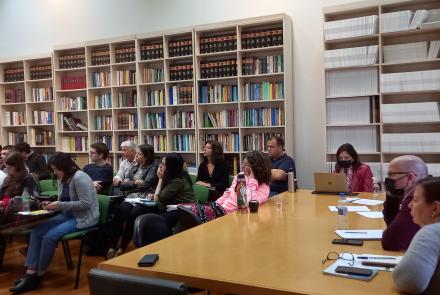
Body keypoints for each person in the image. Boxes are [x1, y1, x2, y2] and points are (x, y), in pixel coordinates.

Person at [10, 152, 99, 294]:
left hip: (83, 218)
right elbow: (63, 200)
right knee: (36, 232)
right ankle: (30, 273)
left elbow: (85, 204)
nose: (54, 172)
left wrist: (59, 205)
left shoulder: (80, 178)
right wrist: (52, 203)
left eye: (56, 169)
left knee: (49, 237)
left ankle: (37, 276)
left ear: (65, 167)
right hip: (68, 215)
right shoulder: (63, 178)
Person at [107, 144, 158, 259]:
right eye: (136, 154)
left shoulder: (153, 166)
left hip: (145, 198)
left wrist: (129, 183)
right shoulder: (135, 166)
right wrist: (134, 183)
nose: (136, 156)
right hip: (132, 197)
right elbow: (122, 186)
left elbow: (146, 185)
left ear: (146, 156)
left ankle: (122, 246)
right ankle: (111, 246)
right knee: (120, 212)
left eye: (139, 154)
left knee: (133, 215)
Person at [392, 176, 440, 294]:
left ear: (436, 207)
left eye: (415, 200)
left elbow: (408, 282)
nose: (410, 205)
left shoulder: (432, 232)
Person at [382, 155, 428, 251]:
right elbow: (392, 223)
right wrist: (391, 196)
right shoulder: (418, 193)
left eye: (392, 174)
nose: (388, 179)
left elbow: (391, 241)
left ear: (410, 177)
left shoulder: (418, 199)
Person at [153, 153, 197, 229]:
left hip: (186, 210)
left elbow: (157, 199)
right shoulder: (178, 174)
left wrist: (160, 179)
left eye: (163, 164)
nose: (160, 166)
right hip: (176, 206)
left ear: (170, 167)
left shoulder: (178, 180)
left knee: (157, 221)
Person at [0, 152, 37, 217]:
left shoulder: (27, 179)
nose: (7, 171)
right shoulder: (8, 178)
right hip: (3, 208)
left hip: (13, 211)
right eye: (6, 167)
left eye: (10, 168)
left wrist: (5, 203)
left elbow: (27, 200)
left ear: (18, 167)